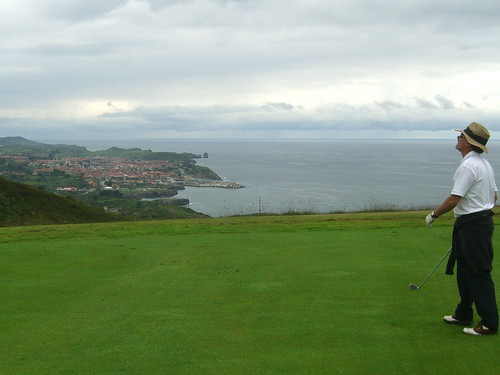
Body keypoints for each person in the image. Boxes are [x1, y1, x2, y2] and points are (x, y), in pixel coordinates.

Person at [425, 122, 498, 336]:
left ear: (468, 142)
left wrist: (434, 214)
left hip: (474, 225)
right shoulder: (483, 164)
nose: (458, 139)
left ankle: (489, 323)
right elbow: (494, 196)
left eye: (461, 137)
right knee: (465, 272)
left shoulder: (468, 166)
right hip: (475, 223)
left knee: (478, 273)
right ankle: (463, 313)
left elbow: (455, 198)